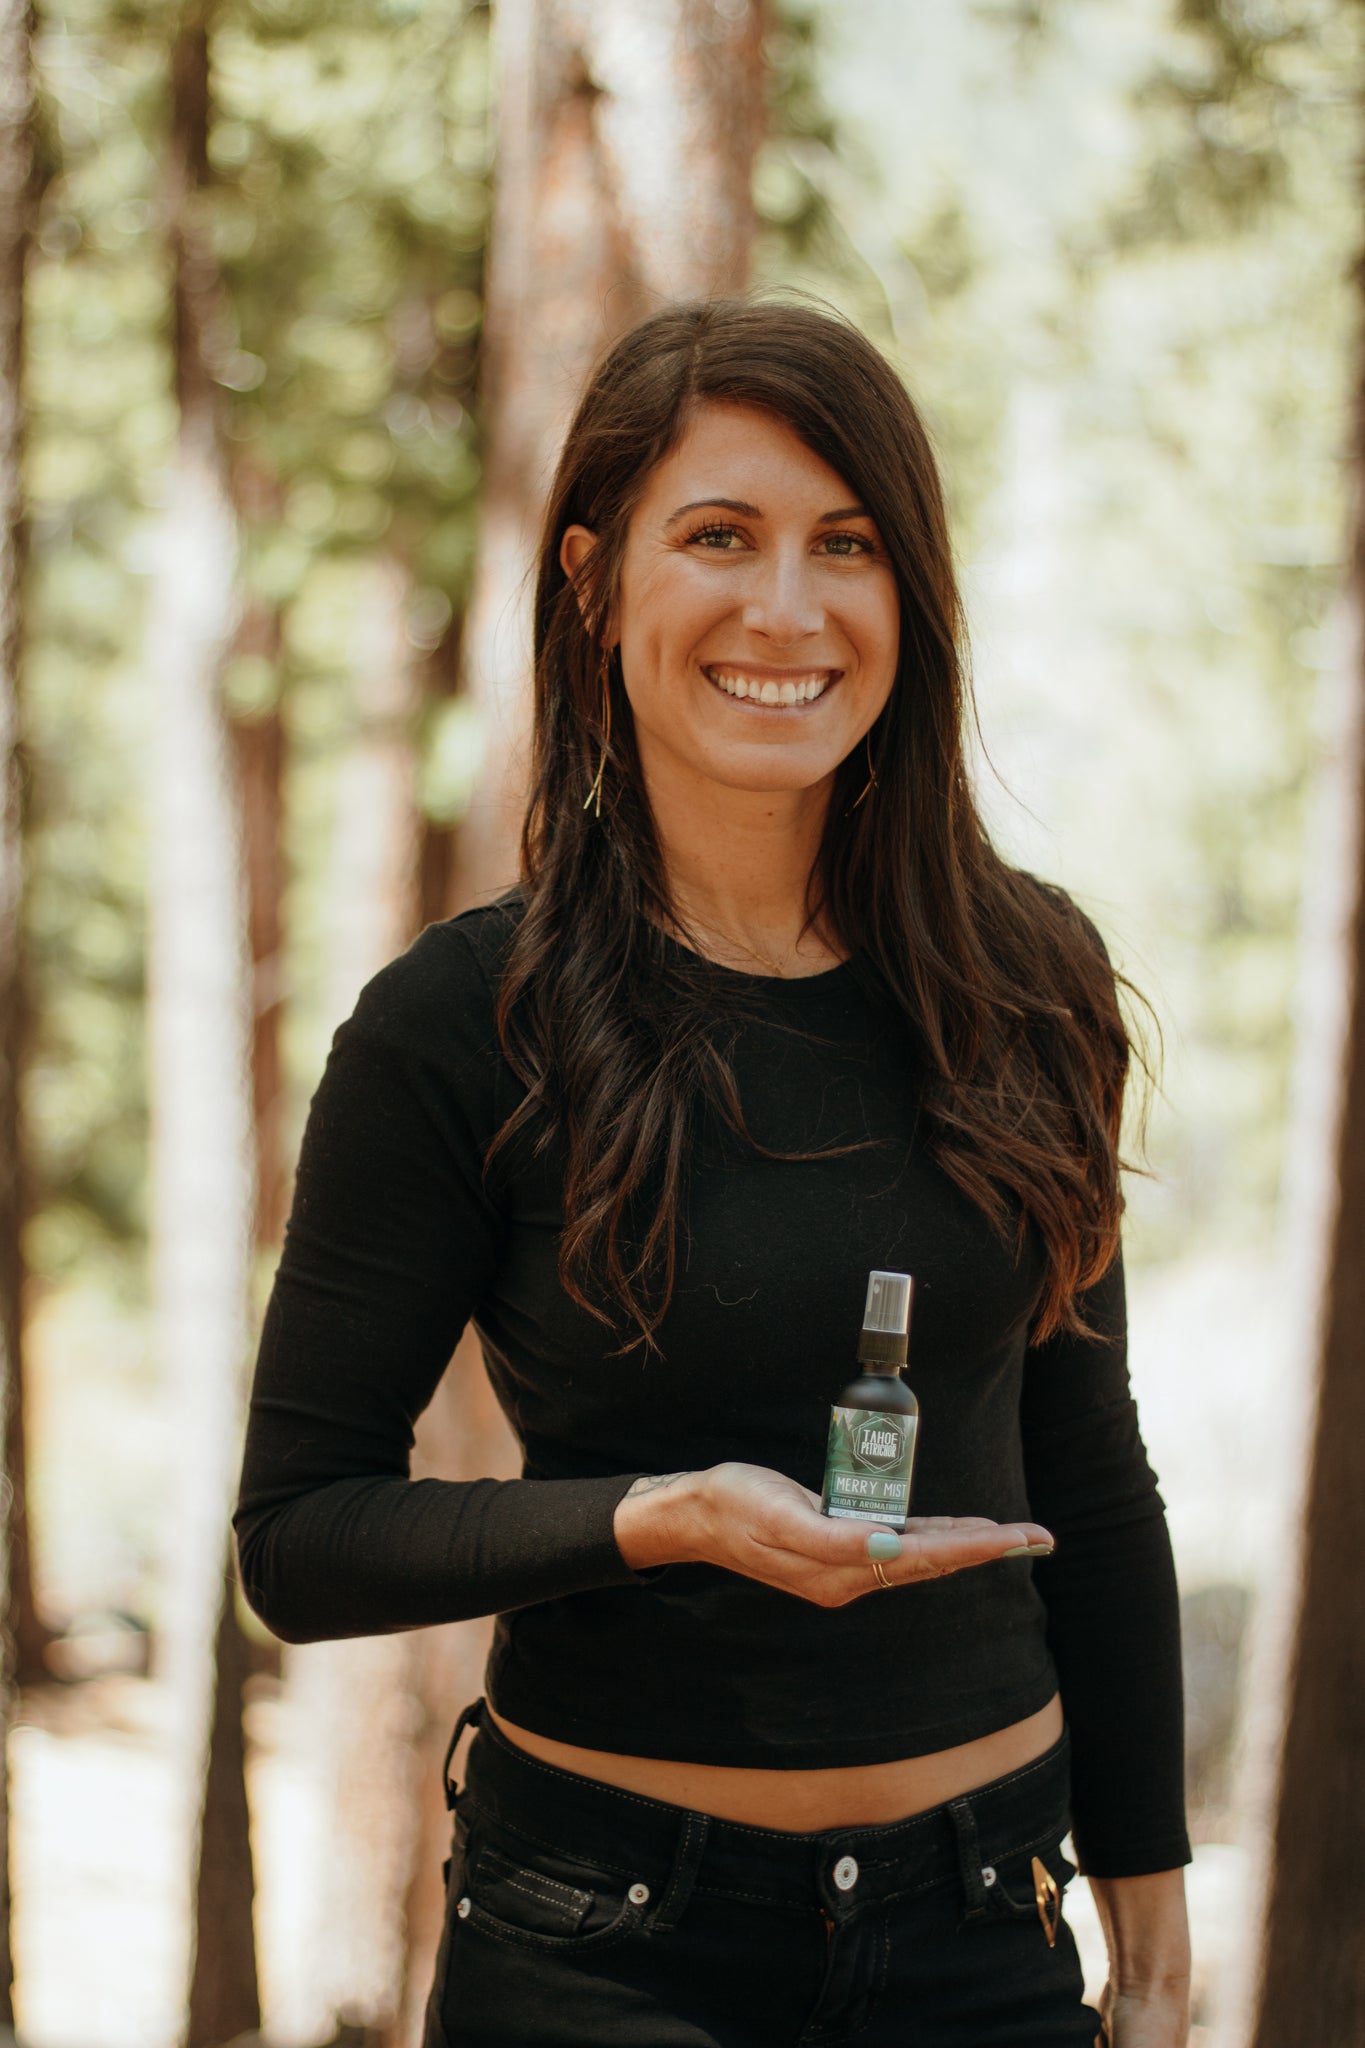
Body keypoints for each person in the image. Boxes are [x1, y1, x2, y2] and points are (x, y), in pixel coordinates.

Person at [235, 298, 1192, 2048]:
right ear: (594, 585)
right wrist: (655, 1519)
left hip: (986, 1935)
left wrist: (1153, 1915)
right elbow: (300, 1541)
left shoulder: (1027, 981)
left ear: (910, 594)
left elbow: (1089, 1471)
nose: (787, 608)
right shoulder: (461, 1023)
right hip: (607, 1949)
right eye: (719, 537)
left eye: (848, 544)